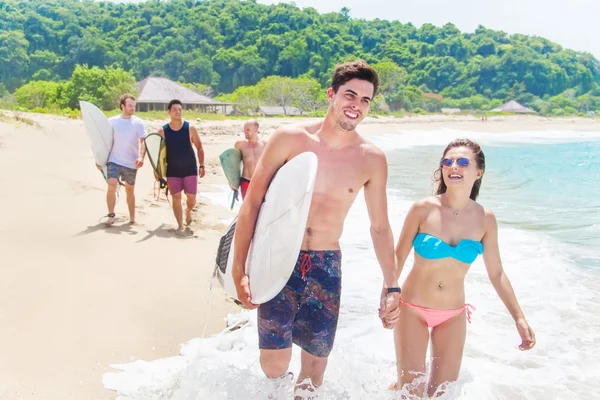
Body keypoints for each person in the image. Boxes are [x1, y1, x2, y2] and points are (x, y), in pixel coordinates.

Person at [232, 60, 401, 395]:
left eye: (366, 100)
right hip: (279, 257)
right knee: (274, 366)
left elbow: (379, 227)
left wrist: (392, 285)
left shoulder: (371, 158)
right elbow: (252, 203)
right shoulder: (290, 140)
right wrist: (240, 270)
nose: (357, 105)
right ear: (331, 94)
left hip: (326, 267)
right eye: (350, 95)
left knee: (314, 371)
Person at [387, 138, 536, 397]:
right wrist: (388, 293)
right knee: (410, 393)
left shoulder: (485, 219)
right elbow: (398, 257)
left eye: (463, 161)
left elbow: (497, 273)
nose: (453, 166)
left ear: (478, 173)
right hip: (412, 309)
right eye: (448, 161)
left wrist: (519, 317)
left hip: (452, 314)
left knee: (442, 394)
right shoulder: (423, 209)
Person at [156, 99, 205, 234]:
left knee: (191, 198)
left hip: (190, 169)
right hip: (172, 170)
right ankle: (180, 225)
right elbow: (157, 154)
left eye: (179, 109)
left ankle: (188, 211)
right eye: (174, 109)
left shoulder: (190, 128)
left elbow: (199, 148)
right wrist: (157, 171)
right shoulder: (163, 131)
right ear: (169, 112)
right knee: (176, 198)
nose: (178, 112)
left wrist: (202, 165)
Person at [103, 94, 148, 225]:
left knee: (130, 190)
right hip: (114, 159)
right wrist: (99, 159)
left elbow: (143, 141)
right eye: (130, 105)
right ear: (122, 106)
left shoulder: (138, 123)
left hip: (131, 161)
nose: (132, 108)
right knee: (111, 185)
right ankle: (111, 215)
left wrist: (141, 156)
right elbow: (103, 141)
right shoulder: (112, 121)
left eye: (134, 106)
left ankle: (132, 217)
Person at [233, 119, 267, 199]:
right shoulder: (240, 144)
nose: (245, 132)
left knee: (262, 208)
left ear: (256, 130)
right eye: (244, 129)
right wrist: (233, 183)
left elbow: (272, 163)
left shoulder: (265, 144)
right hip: (245, 181)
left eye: (248, 130)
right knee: (247, 208)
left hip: (261, 182)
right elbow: (234, 165)